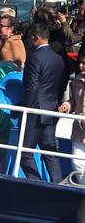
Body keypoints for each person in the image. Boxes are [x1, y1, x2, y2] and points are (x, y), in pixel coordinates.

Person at [20, 20, 66, 182]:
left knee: (24, 152)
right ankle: (59, 187)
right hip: (51, 108)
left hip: (35, 111)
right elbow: (60, 86)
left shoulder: (34, 58)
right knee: (50, 153)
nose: (28, 41)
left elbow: (32, 88)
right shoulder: (58, 59)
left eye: (29, 38)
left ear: (35, 38)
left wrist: (24, 110)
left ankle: (37, 184)